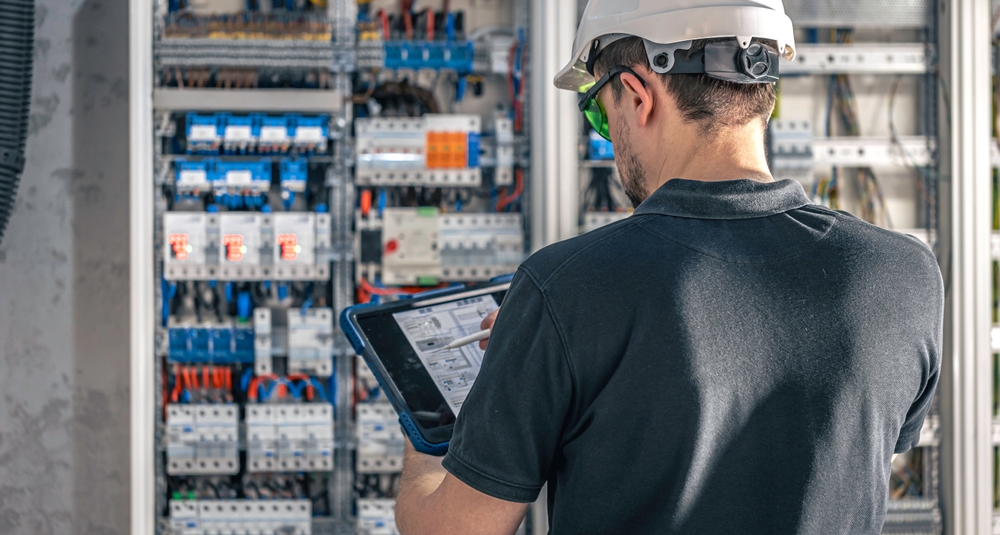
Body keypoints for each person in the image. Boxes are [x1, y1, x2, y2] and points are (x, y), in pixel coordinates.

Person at [394, 1, 943, 533]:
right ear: (762, 88)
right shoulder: (904, 275)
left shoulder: (563, 289)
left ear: (637, 95)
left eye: (598, 114)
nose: (608, 138)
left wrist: (433, 421)